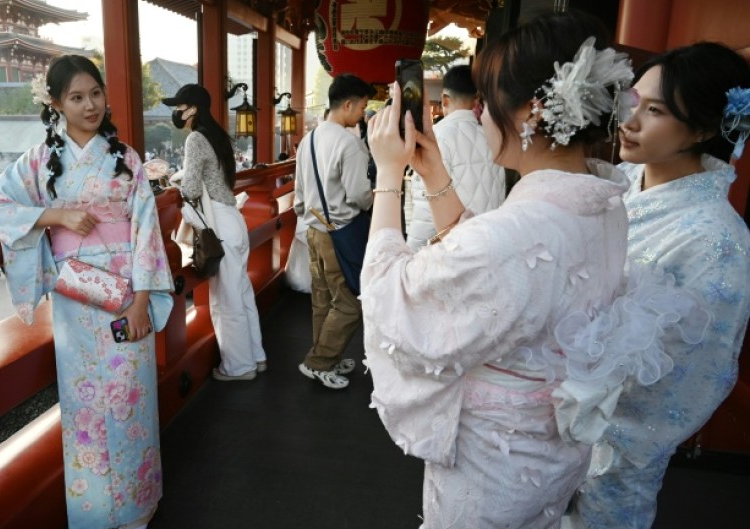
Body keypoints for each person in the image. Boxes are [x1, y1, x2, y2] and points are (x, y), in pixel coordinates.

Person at [360, 11, 707, 529]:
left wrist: (388, 173)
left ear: (531, 111)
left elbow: (394, 297)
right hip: (550, 452)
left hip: (489, 466)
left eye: (486, 103)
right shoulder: (602, 204)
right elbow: (501, 267)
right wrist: (432, 171)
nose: (478, 116)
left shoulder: (516, 232)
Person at [0, 54, 174, 529]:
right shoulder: (41, 160)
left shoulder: (125, 159)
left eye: (96, 94)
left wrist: (144, 299)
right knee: (85, 404)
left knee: (131, 396)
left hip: (127, 291)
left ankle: (135, 507)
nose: (90, 106)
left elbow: (146, 226)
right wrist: (56, 216)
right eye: (76, 97)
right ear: (57, 103)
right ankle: (93, 512)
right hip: (76, 297)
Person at [567, 42, 750, 529]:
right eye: (633, 101)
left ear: (707, 128)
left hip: (613, 445)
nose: (630, 120)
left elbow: (690, 373)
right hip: (548, 418)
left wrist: (577, 399)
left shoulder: (717, 238)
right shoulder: (618, 183)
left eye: (656, 111)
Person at [162, 83, 266, 381]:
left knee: (227, 300)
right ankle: (255, 357)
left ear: (192, 108)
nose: (177, 112)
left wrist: (173, 182)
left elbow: (193, 188)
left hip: (219, 225)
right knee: (242, 294)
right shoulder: (217, 136)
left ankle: (239, 367)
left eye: (179, 107)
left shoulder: (195, 138)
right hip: (234, 219)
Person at [293, 73, 375, 389]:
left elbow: (300, 195)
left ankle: (326, 354)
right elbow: (358, 195)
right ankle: (319, 361)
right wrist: (375, 198)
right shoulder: (349, 143)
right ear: (349, 104)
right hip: (339, 231)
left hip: (314, 229)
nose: (363, 113)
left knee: (323, 301)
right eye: (363, 106)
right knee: (351, 302)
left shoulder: (309, 140)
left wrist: (313, 220)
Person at [406, 64, 506, 250]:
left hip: (453, 249)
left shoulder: (435, 138)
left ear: (444, 100)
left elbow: (425, 205)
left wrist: (412, 249)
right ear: (476, 100)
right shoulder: (492, 137)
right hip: (490, 243)